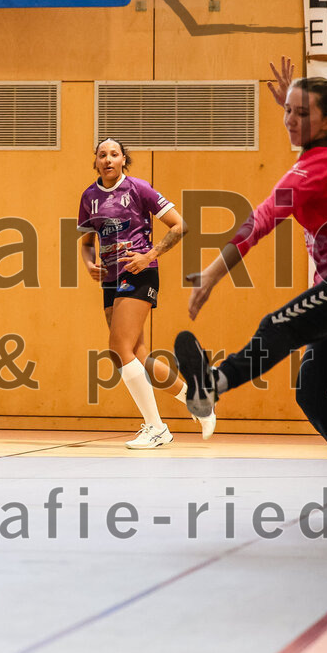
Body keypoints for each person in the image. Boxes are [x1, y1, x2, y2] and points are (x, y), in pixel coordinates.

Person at [174, 57, 327, 517]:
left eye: (301, 113)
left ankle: (211, 384)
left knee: (277, 325)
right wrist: (298, 99)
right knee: (312, 391)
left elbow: (263, 218)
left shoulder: (316, 166)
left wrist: (211, 273)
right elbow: (312, 148)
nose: (290, 120)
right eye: (287, 111)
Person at [78, 138, 215, 449]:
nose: (108, 159)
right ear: (96, 162)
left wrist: (149, 255)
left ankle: (156, 427)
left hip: (139, 272)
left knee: (118, 347)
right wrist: (89, 264)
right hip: (110, 280)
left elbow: (179, 226)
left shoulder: (139, 189)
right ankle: (196, 399)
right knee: (135, 354)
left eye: (114, 154)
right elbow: (87, 242)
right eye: (102, 155)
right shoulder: (89, 196)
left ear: (124, 159)